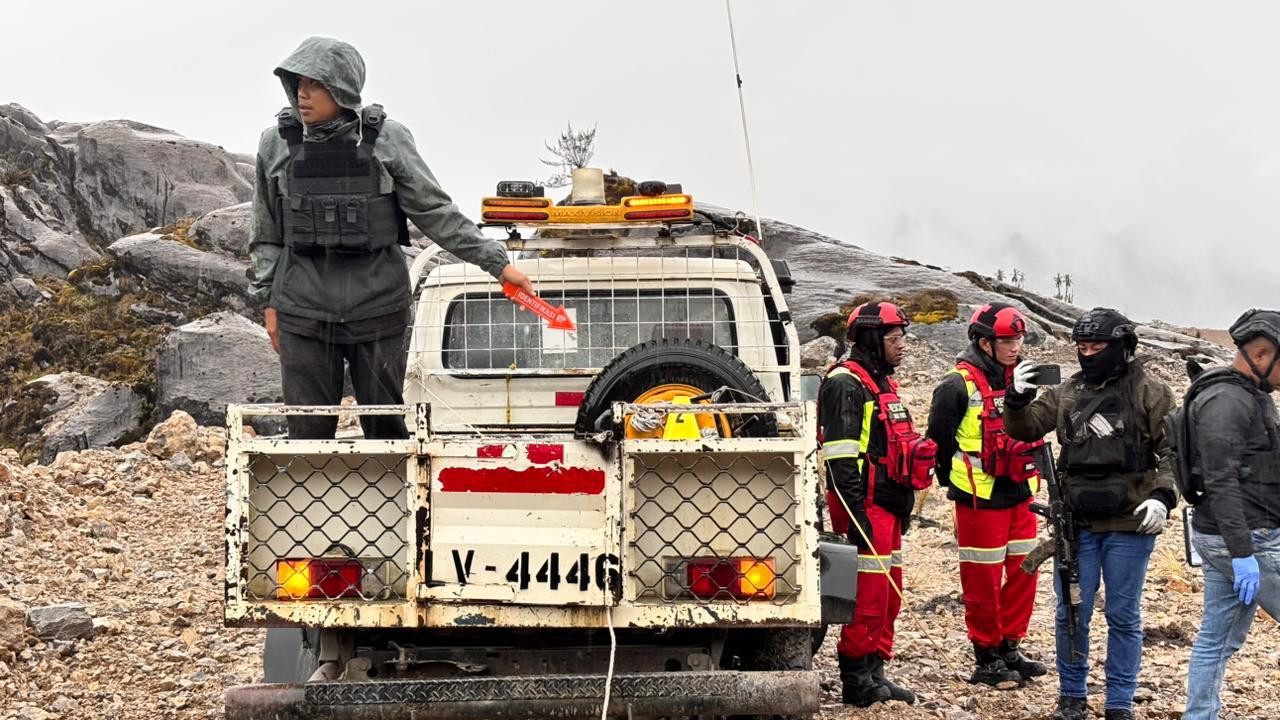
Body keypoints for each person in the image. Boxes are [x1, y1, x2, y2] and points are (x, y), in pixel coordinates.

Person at [246, 36, 533, 439]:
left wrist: (498, 264)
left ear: (342, 87)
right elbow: (266, 233)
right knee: (307, 433)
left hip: (378, 308)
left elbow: (434, 211)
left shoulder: (388, 138)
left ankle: (391, 484)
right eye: (297, 83)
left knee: (386, 429)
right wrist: (269, 304)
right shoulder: (275, 142)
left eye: (314, 84)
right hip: (302, 311)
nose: (302, 94)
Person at [1004, 307, 1176, 720]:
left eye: (1097, 347)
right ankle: (1072, 695)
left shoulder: (1151, 392)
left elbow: (1174, 452)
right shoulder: (1068, 391)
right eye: (1082, 347)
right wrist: (1016, 399)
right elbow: (1026, 428)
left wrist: (1163, 496)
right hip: (1076, 525)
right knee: (1071, 612)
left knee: (1123, 615)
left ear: (1122, 346)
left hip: (1130, 523)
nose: (1088, 354)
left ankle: (1119, 703)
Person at [819, 301, 935, 707]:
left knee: (889, 594)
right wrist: (856, 517)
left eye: (903, 337)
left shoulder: (881, 382)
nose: (902, 345)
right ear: (871, 339)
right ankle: (856, 680)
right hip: (864, 507)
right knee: (868, 598)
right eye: (894, 338)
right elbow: (840, 459)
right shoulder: (846, 384)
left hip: (888, 505)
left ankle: (876, 670)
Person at [927, 303, 1047, 687]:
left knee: (1025, 571)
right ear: (984, 343)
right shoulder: (955, 385)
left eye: (1019, 339)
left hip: (1021, 491)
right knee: (982, 579)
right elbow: (938, 440)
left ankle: (1011, 646)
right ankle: (987, 655)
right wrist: (950, 482)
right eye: (1007, 341)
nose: (1015, 347)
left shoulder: (1022, 377)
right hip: (980, 496)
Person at [1182, 309, 1280, 720]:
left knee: (1217, 639)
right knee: (1214, 640)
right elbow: (1220, 479)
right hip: (1245, 538)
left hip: (1231, 536)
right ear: (1261, 355)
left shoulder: (1247, 395)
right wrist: (1242, 554)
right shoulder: (1227, 401)